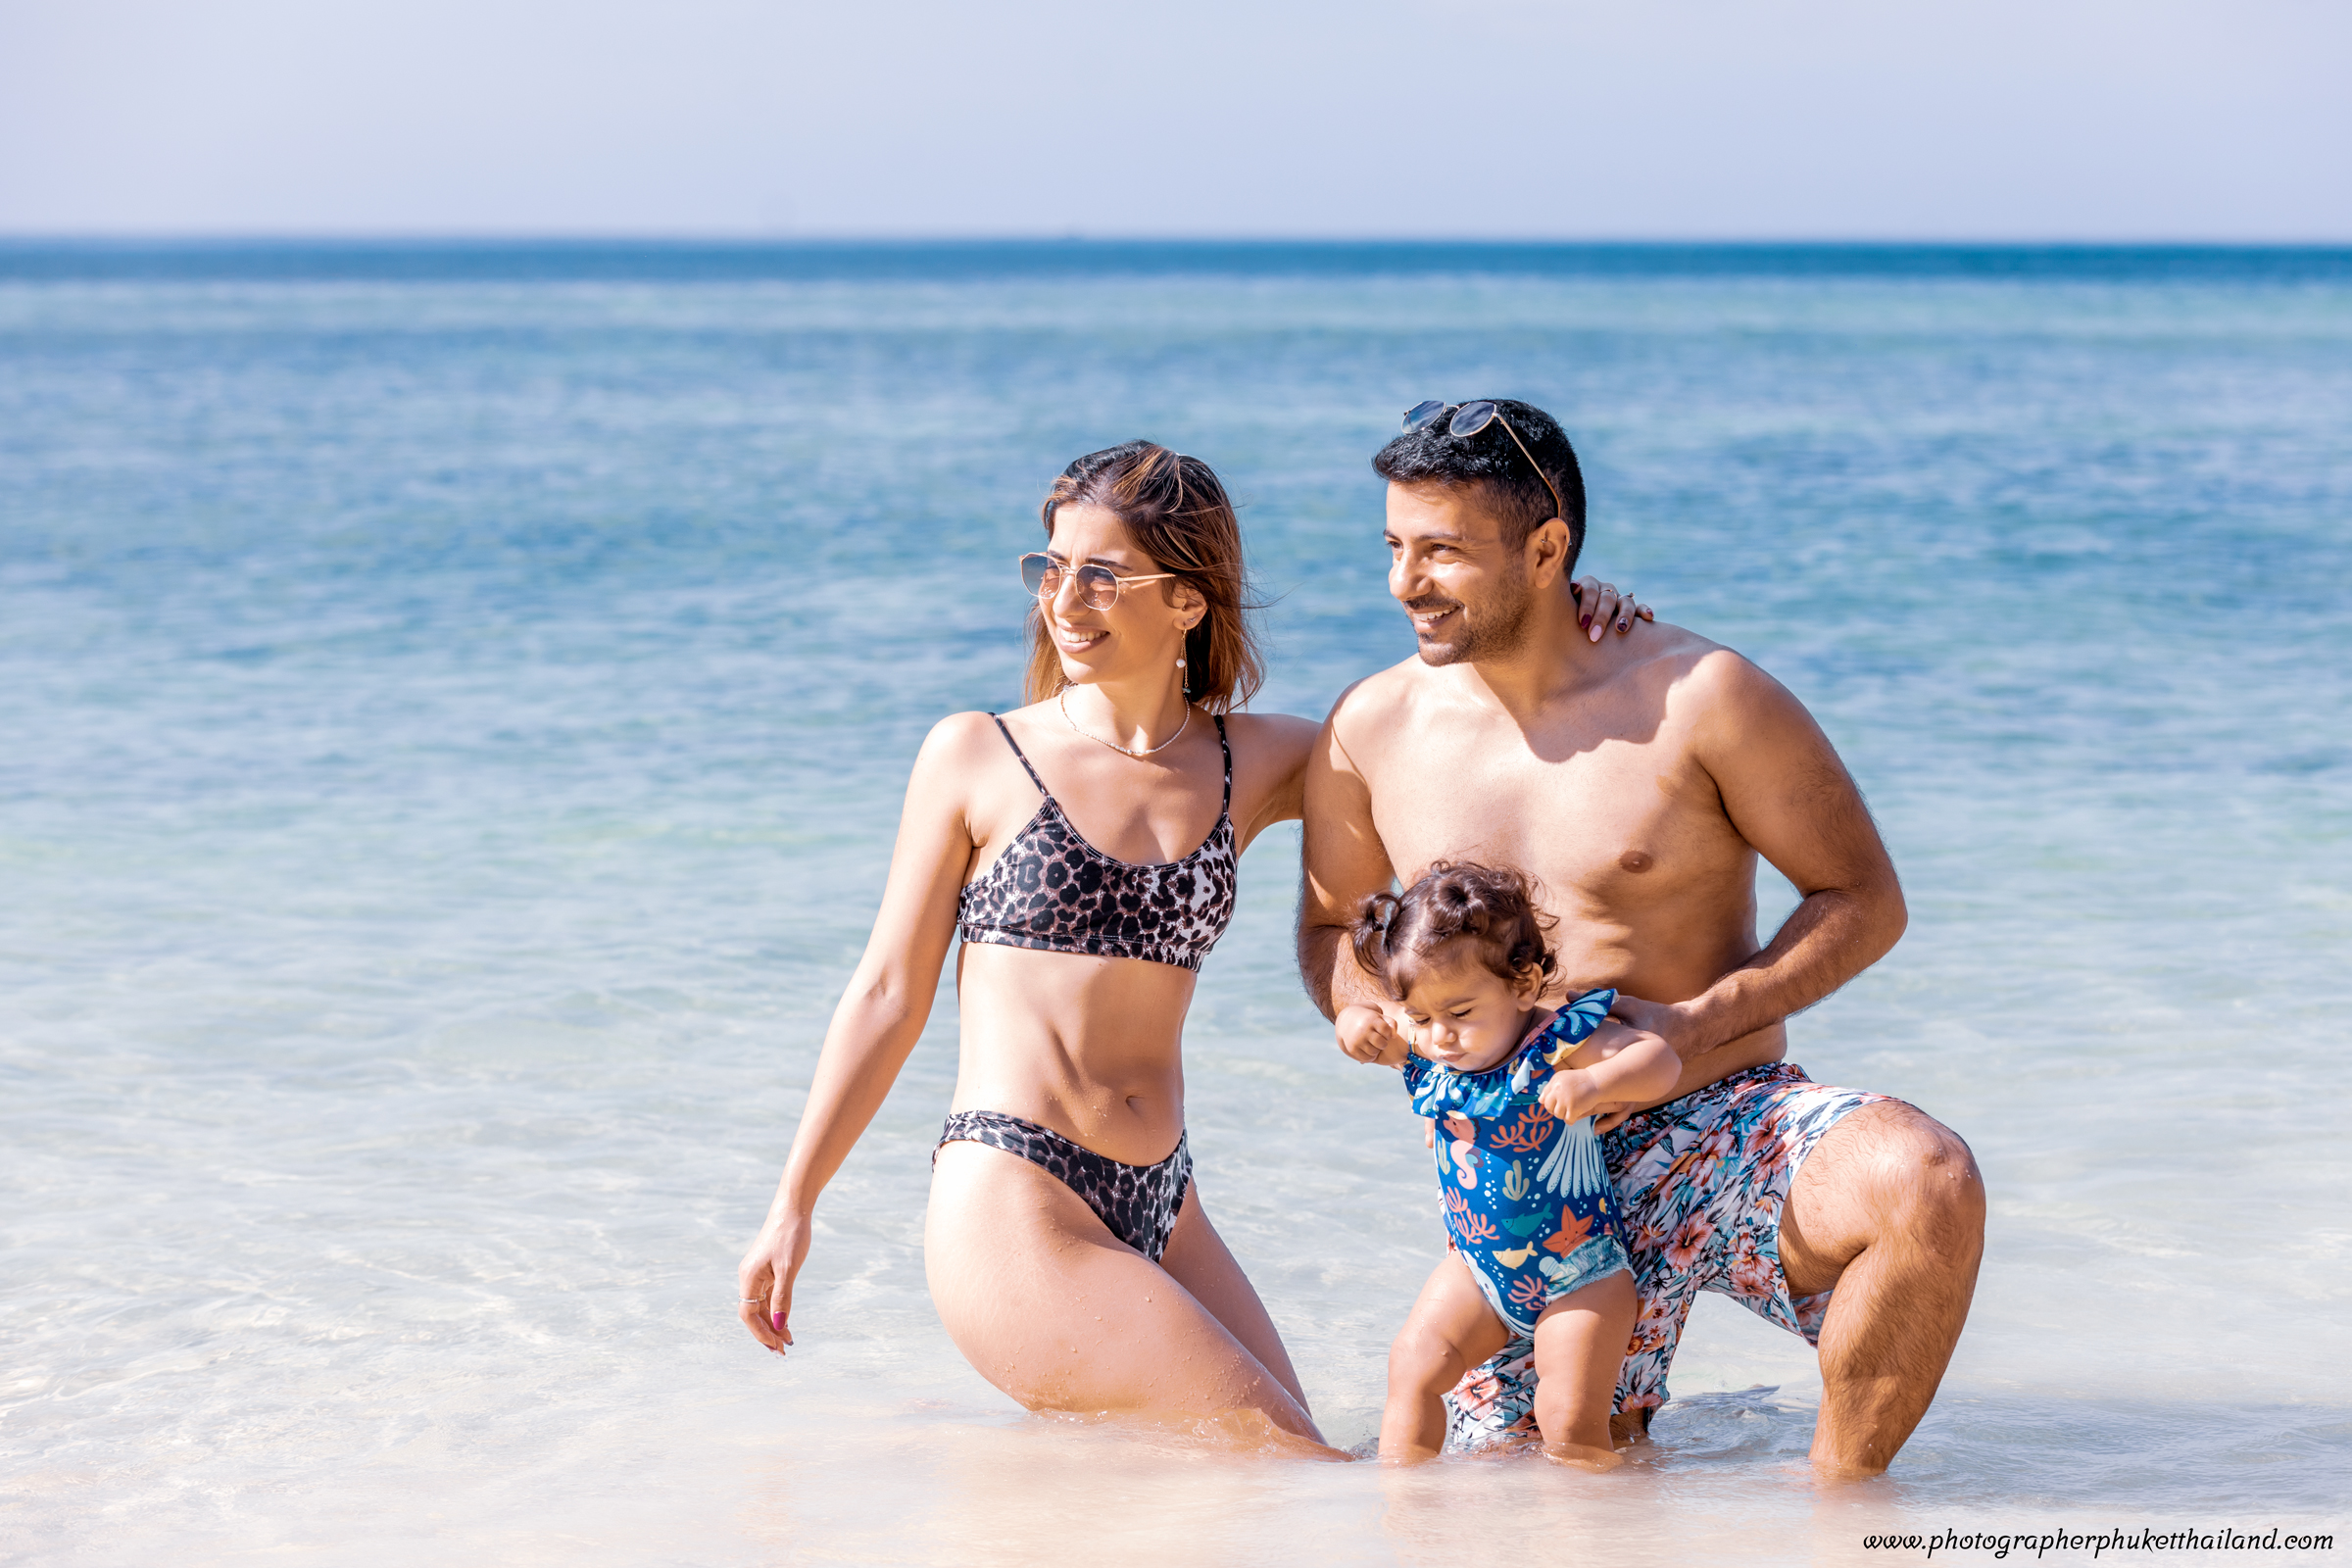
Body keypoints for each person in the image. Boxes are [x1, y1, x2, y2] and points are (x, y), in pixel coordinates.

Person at [733, 434, 1658, 1446]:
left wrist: (1564, 605)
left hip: (1166, 1203)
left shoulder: (1254, 758)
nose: (1065, 598)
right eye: (1052, 567)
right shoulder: (978, 752)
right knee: (1296, 1471)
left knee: (1299, 1465)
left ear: (1187, 600)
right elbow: (884, 994)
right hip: (1015, 1192)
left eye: (1101, 574)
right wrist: (793, 1203)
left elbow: (1450, 716)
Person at [1298, 398, 1986, 1477]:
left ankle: (1844, 1518)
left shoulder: (1702, 696)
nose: (1403, 581)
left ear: (1546, 549)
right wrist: (1361, 1004)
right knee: (1525, 1498)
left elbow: (1862, 897)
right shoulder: (1368, 728)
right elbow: (1335, 923)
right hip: (1523, 1180)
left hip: (1720, 1117)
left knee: (1925, 1176)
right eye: (1393, 545)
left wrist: (1692, 1021)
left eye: (1441, 551)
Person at [1333, 861, 1681, 1465]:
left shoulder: (1553, 1045)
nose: (1440, 1036)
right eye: (1422, 1018)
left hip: (1581, 1273)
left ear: (1522, 986)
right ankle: (1401, 1504)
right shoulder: (1433, 1051)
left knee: (1567, 1417)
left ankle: (1588, 1530)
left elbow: (1659, 1060)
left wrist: (1595, 1083)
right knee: (1413, 1368)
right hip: (1478, 1270)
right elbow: (1368, 1026)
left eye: (1461, 1014)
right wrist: (1352, 1022)